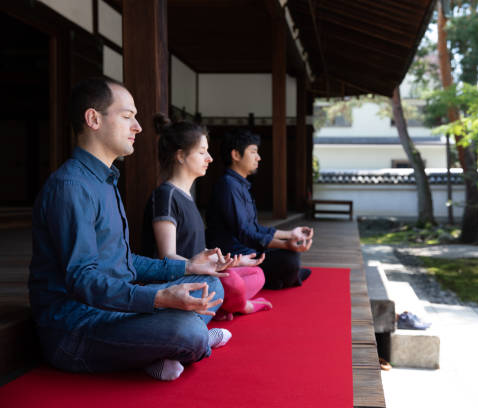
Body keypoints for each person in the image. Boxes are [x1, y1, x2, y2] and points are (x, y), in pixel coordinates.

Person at [29, 77, 234, 382]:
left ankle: (154, 351)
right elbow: (83, 280)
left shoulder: (106, 180)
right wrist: (160, 298)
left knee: (211, 284)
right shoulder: (71, 187)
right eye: (127, 117)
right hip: (77, 329)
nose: (138, 127)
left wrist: (188, 265)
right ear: (93, 119)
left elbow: (125, 263)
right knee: (187, 330)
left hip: (116, 309)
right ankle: (180, 343)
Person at [142, 113, 272, 321]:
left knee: (255, 273)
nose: (209, 158)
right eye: (202, 152)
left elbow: (195, 251)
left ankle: (219, 305)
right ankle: (238, 305)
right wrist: (212, 269)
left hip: (197, 274)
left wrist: (234, 262)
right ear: (181, 155)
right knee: (231, 283)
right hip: (176, 282)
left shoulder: (186, 196)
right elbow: (166, 257)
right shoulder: (166, 196)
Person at [205, 129, 314, 290]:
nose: (258, 157)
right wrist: (284, 245)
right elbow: (245, 233)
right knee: (289, 259)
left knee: (289, 257)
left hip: (249, 249)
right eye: (253, 152)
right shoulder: (228, 186)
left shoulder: (239, 185)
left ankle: (280, 277)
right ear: (236, 155)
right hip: (234, 256)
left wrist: (290, 234)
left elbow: (254, 228)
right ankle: (278, 278)